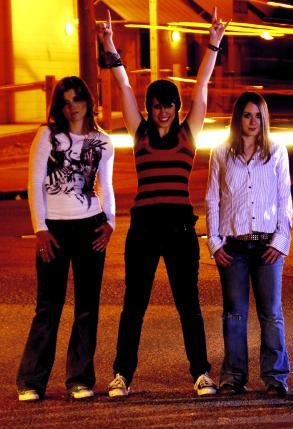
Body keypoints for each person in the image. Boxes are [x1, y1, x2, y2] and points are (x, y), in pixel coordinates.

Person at [96, 8, 227, 397]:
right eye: (156, 104)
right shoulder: (139, 134)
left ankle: (201, 373)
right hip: (144, 228)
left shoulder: (188, 135)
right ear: (149, 108)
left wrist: (213, 43)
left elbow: (202, 86)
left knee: (189, 304)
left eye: (168, 104)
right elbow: (123, 86)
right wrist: (109, 44)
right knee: (134, 305)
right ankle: (122, 374)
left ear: (176, 107)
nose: (163, 110)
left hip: (180, 228)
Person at [16, 76, 115, 401]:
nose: (73, 107)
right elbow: (34, 184)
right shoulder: (47, 136)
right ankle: (31, 381)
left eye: (78, 100)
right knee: (48, 305)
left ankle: (80, 379)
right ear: (59, 106)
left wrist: (110, 222)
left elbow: (105, 185)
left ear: (88, 102)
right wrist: (40, 229)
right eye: (66, 101)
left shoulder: (103, 142)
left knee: (87, 307)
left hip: (91, 226)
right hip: (54, 230)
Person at [205, 92, 293, 396]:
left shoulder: (276, 152)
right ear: (238, 118)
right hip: (234, 247)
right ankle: (233, 376)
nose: (253, 121)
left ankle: (276, 377)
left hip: (268, 246)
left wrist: (281, 241)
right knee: (234, 313)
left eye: (258, 116)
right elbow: (212, 199)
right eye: (247, 115)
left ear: (264, 119)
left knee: (271, 313)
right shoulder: (221, 153)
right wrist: (215, 243)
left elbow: (284, 199)